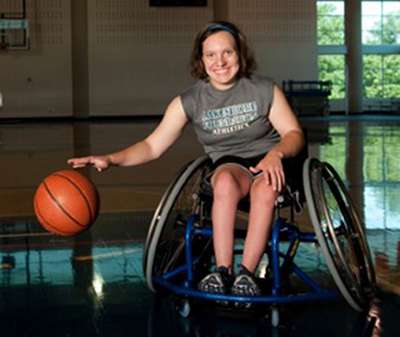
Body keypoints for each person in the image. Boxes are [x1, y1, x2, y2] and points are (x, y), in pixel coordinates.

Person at [68, 21, 305, 297]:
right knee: (224, 182)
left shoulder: (264, 89)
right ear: (201, 61)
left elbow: (294, 133)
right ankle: (222, 270)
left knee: (265, 188)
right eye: (211, 55)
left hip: (269, 159)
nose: (220, 61)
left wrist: (276, 153)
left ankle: (247, 275)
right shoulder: (190, 101)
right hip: (230, 164)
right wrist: (110, 158)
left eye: (227, 52)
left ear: (240, 53)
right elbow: (152, 146)